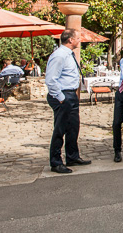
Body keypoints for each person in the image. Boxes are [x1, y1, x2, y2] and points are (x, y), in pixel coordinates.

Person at [45, 28, 90, 174]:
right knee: (60, 129)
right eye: (78, 37)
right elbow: (51, 80)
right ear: (70, 39)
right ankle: (56, 162)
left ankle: (72, 156)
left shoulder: (68, 54)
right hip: (63, 95)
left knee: (73, 127)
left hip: (70, 94)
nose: (80, 40)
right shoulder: (59, 55)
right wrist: (61, 98)